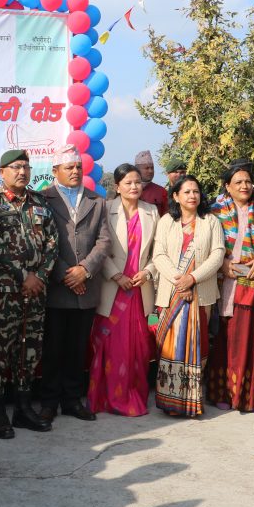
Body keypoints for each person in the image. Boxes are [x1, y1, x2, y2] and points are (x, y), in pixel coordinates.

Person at [0, 149, 59, 437]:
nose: (22, 172)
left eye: (26, 166)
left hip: (36, 292)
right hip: (5, 292)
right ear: (2, 172)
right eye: (15, 167)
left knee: (30, 349)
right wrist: (25, 276)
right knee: (0, 351)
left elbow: (52, 242)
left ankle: (23, 409)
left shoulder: (40, 202)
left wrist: (40, 276)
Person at [38, 145, 112, 422]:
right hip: (57, 287)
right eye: (69, 167)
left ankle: (72, 400)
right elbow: (41, 241)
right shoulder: (42, 199)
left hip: (87, 288)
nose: (75, 171)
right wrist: (67, 274)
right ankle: (49, 402)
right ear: (55, 170)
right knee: (53, 348)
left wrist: (85, 270)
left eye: (78, 167)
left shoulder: (97, 200)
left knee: (77, 349)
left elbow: (104, 242)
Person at [207, 166, 254, 412]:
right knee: (225, 340)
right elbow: (202, 247)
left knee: (250, 340)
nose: (244, 186)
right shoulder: (215, 212)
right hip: (222, 284)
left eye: (248, 181)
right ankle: (223, 393)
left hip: (253, 286)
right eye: (238, 182)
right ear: (227, 186)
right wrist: (222, 263)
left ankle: (247, 397)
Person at [88, 164, 158, 416]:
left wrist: (147, 271)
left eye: (137, 182)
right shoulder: (105, 209)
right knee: (112, 347)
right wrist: (116, 274)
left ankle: (133, 395)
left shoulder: (152, 211)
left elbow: (158, 251)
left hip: (140, 289)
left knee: (139, 347)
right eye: (128, 183)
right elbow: (97, 248)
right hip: (113, 289)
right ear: (117, 187)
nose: (134, 186)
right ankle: (109, 398)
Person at [152, 176, 225, 417]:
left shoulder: (210, 221)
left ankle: (191, 401)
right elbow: (158, 254)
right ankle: (170, 401)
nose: (192, 196)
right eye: (187, 192)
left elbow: (218, 254)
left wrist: (192, 278)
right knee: (169, 348)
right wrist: (179, 280)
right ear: (175, 196)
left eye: (196, 191)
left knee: (199, 345)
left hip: (200, 294)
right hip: (172, 292)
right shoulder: (166, 221)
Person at [135, 149, 168, 216]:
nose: (150, 171)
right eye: (146, 168)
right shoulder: (129, 190)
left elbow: (166, 216)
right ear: (137, 170)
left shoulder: (162, 191)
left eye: (152, 168)